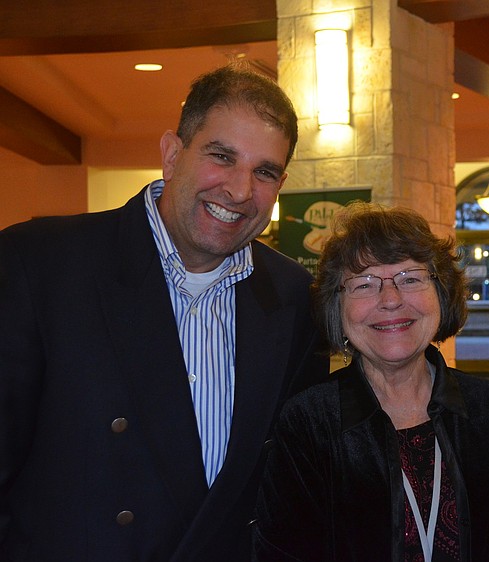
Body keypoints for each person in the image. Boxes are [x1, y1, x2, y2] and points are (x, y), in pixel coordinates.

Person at [0, 65, 328, 561]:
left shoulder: (295, 297)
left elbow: (288, 485)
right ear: (172, 155)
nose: (240, 191)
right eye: (222, 156)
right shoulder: (39, 264)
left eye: (263, 171)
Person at [253, 202, 489, 561]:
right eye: (364, 285)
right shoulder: (309, 425)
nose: (391, 300)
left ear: (441, 293)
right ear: (337, 306)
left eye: (410, 279)